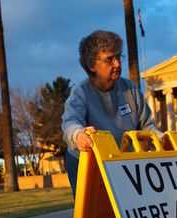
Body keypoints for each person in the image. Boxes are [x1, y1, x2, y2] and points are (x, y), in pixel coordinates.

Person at [62, 30, 162, 196]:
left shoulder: (130, 88)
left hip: (123, 162)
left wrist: (162, 140)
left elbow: (147, 126)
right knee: (95, 217)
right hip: (87, 163)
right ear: (91, 65)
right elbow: (70, 122)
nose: (117, 64)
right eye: (110, 59)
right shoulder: (80, 92)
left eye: (118, 56)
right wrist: (78, 135)